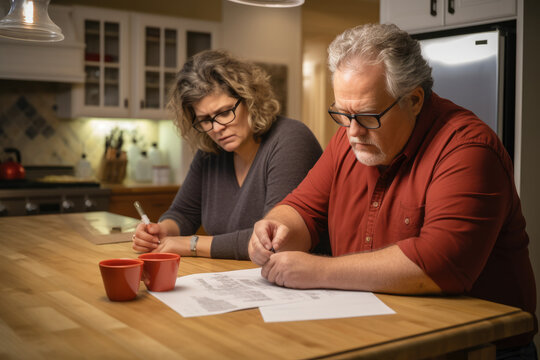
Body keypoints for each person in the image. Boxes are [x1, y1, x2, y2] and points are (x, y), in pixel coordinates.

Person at [248, 23, 537, 356]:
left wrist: (316, 270)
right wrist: (277, 228)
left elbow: (440, 265)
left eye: (368, 115)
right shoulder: (349, 137)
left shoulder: (468, 148)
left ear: (413, 99)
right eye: (342, 113)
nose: (352, 131)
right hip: (384, 333)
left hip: (478, 349)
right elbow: (303, 208)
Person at [132, 49, 322, 260]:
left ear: (250, 99)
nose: (216, 128)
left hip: (301, 282)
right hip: (236, 277)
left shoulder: (291, 139)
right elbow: (183, 213)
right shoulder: (210, 152)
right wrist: (162, 230)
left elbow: (273, 239)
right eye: (205, 119)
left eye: (224, 112)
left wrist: (191, 244)